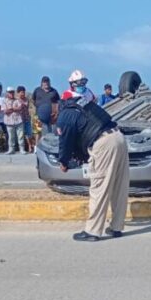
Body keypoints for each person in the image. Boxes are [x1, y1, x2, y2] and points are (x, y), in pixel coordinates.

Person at [56, 91, 130, 242]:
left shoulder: (66, 115)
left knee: (99, 187)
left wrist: (63, 161)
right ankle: (117, 227)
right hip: (119, 137)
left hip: (103, 144)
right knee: (119, 185)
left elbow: (66, 142)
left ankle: (93, 231)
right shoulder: (85, 105)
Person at [33, 76, 60, 141]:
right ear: (42, 83)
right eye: (44, 82)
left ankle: (50, 146)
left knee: (51, 132)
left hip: (51, 117)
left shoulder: (54, 91)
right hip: (38, 115)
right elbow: (33, 100)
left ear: (49, 82)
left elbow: (58, 102)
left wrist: (56, 112)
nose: (46, 83)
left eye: (47, 82)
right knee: (37, 132)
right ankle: (36, 147)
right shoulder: (37, 90)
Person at [2, 87, 26, 155]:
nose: (11, 93)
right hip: (9, 121)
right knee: (11, 137)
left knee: (20, 136)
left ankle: (22, 149)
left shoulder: (18, 100)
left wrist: (11, 108)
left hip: (18, 120)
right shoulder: (4, 101)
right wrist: (14, 109)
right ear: (7, 93)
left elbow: (20, 108)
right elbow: (5, 111)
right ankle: (11, 149)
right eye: (10, 92)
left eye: (12, 92)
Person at [17, 85, 34, 153]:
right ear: (18, 93)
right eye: (21, 92)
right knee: (21, 135)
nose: (23, 93)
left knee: (29, 133)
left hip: (26, 118)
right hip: (19, 119)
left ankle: (30, 146)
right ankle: (22, 148)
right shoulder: (16, 100)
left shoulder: (26, 99)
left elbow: (26, 105)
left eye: (23, 92)